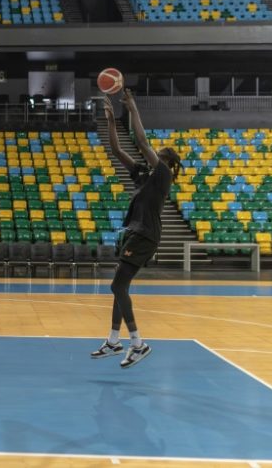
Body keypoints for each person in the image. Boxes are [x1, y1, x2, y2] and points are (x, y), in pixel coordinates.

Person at [91, 89, 181, 369]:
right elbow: (118, 150)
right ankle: (114, 341)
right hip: (136, 232)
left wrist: (133, 109)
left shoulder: (163, 176)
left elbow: (141, 142)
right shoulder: (144, 174)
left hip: (146, 235)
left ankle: (138, 343)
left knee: (117, 285)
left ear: (164, 161)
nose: (155, 152)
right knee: (121, 287)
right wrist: (110, 120)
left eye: (159, 152)